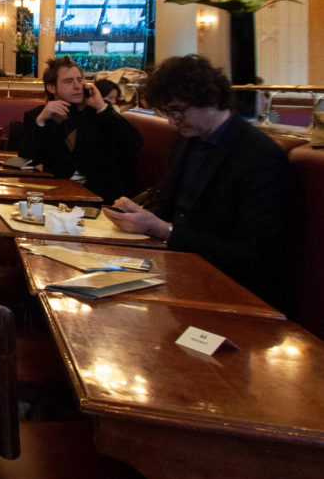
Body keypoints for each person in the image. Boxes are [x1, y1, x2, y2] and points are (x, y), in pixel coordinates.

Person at [101, 53, 293, 308]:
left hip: (230, 290)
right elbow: (170, 207)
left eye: (177, 111)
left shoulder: (260, 156)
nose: (171, 121)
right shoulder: (186, 140)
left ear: (210, 99)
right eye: (167, 112)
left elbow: (254, 255)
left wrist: (165, 230)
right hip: (176, 270)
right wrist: (138, 215)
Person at [17, 55, 142, 203]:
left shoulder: (99, 112)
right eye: (68, 81)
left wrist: (102, 108)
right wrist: (41, 121)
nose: (77, 86)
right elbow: (26, 159)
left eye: (79, 80)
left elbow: (134, 143)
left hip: (101, 195)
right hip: (57, 193)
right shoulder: (38, 116)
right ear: (52, 88)